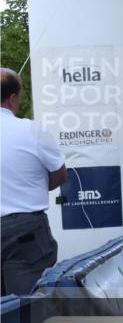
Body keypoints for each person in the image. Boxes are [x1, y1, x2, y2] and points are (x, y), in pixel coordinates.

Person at [0, 68, 67, 296]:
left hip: (23, 232)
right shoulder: (32, 130)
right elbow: (60, 174)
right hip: (25, 231)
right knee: (27, 305)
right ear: (12, 98)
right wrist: (35, 186)